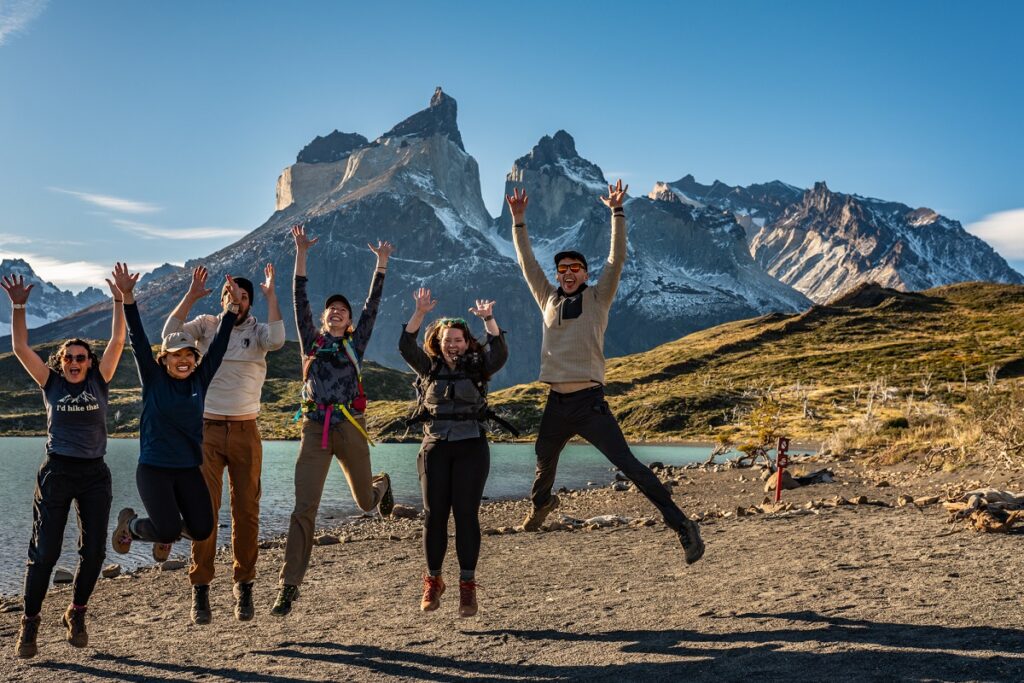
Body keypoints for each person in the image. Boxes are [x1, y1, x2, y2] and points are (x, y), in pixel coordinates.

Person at [507, 180, 704, 564]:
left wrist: (617, 211)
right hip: (556, 402)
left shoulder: (599, 296)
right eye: (562, 268)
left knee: (629, 465)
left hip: (589, 403)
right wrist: (519, 221)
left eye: (574, 268)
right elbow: (526, 262)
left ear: (584, 273)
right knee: (543, 460)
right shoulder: (546, 296)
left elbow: (617, 259)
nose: (566, 273)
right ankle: (542, 505)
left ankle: (682, 526)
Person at [3, 266, 127, 658]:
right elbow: (22, 347)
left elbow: (118, 338)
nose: (75, 362)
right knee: (45, 553)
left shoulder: (99, 380)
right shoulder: (51, 383)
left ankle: (76, 612)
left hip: (95, 474)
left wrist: (120, 301)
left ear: (89, 362)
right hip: (57, 471)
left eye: (81, 357)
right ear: (61, 361)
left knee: (93, 553)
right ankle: (30, 622)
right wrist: (19, 307)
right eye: (69, 357)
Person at [272, 224, 396, 616]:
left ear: (349, 321)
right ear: (324, 318)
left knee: (363, 503)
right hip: (314, 429)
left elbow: (372, 305)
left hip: (351, 427)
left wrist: (381, 265)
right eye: (333, 309)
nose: (338, 311)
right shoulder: (310, 340)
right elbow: (298, 297)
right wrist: (301, 252)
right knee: (303, 507)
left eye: (343, 310)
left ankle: (381, 485)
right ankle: (289, 585)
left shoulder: (355, 343)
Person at [162, 264, 285, 624]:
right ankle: (201, 588)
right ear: (222, 298)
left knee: (247, 510)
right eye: (233, 294)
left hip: (247, 430)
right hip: (207, 431)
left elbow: (278, 340)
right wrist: (190, 295)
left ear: (251, 302)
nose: (239, 300)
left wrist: (271, 294)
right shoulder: (206, 325)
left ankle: (243, 584)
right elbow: (170, 334)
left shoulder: (260, 332)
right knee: (205, 511)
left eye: (245, 297)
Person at [110, 268, 244, 586]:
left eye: (189, 355)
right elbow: (139, 340)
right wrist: (128, 297)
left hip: (187, 469)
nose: (183, 360)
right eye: (176, 355)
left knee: (201, 529)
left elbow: (221, 344)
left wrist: (233, 309)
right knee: (169, 529)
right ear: (164, 360)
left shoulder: (200, 379)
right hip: (154, 470)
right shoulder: (154, 381)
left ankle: (163, 525)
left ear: (195, 358)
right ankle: (131, 526)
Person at [399, 288, 508, 617]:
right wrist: (419, 313)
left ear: (467, 342)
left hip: (471, 446)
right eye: (448, 339)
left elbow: (499, 353)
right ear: (439, 341)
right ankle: (433, 581)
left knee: (465, 516)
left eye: (459, 340)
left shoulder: (479, 367)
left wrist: (489, 319)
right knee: (434, 516)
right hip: (434, 447)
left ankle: (467, 587)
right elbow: (406, 345)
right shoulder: (427, 367)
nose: (453, 345)